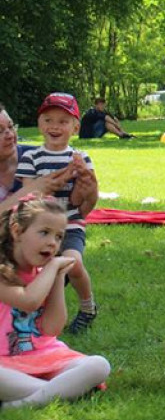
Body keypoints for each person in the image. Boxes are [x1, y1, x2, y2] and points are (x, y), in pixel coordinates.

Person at [0, 195, 110, 408]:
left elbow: (51, 329)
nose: (52, 242)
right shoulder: (2, 272)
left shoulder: (46, 272)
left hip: (45, 356)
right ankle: (66, 389)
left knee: (99, 365)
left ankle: (21, 402)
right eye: (44, 233)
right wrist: (53, 268)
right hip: (4, 361)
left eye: (59, 237)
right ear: (16, 231)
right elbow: (28, 302)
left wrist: (59, 277)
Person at [16, 94, 98, 333]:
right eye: (48, 119)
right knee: (36, 270)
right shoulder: (30, 157)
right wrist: (60, 178)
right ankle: (36, 313)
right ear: (39, 123)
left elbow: (82, 197)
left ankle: (88, 307)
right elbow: (28, 195)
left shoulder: (82, 158)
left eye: (63, 121)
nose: (54, 126)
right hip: (40, 224)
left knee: (74, 264)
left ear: (75, 127)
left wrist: (83, 176)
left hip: (70, 221)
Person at [0, 105, 71, 217]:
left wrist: (88, 191)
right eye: (0, 131)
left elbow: (75, 210)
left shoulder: (39, 158)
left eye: (10, 126)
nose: (10, 135)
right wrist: (31, 191)